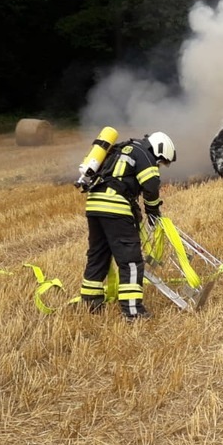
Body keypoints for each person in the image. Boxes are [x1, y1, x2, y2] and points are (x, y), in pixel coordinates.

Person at [80, 132, 176, 320]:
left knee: (98, 255)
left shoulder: (122, 149)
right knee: (131, 262)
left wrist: (134, 209)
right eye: (161, 161)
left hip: (93, 205)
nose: (158, 165)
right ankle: (133, 311)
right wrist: (152, 211)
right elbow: (151, 185)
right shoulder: (145, 155)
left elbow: (118, 181)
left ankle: (91, 302)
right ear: (159, 149)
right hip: (115, 208)